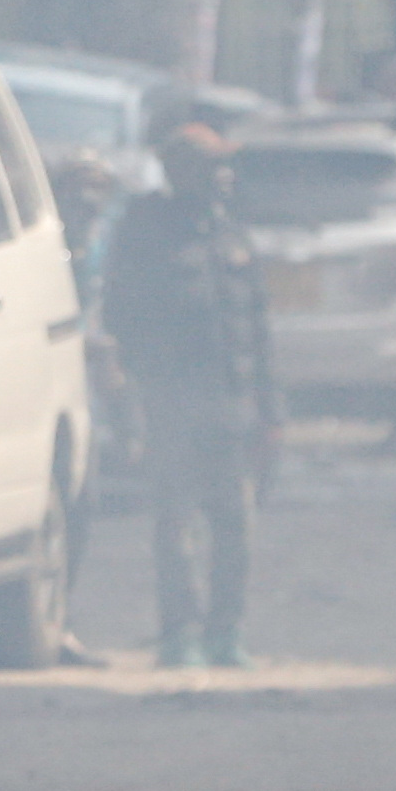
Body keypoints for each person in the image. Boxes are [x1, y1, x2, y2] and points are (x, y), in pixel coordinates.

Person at [94, 120, 279, 669]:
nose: (224, 177)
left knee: (235, 530)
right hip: (172, 409)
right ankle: (180, 636)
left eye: (226, 166)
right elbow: (122, 319)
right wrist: (133, 404)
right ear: (183, 173)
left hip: (234, 411)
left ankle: (226, 633)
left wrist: (272, 412)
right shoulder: (146, 233)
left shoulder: (232, 235)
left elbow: (259, 330)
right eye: (212, 166)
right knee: (176, 530)